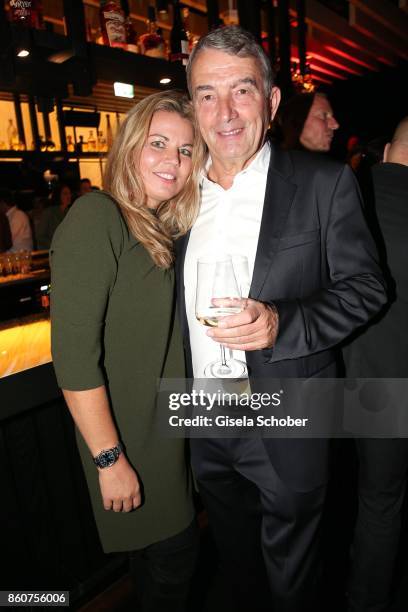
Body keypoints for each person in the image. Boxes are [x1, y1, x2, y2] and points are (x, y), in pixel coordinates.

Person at [176, 26, 386, 612]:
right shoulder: (175, 196)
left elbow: (368, 287)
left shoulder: (324, 183)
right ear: (192, 105)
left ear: (270, 103)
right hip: (204, 419)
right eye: (207, 94)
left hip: (289, 417)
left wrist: (279, 323)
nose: (224, 112)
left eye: (242, 91)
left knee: (294, 582)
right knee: (237, 573)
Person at [50, 91, 205, 612]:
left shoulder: (158, 229)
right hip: (127, 442)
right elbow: (73, 358)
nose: (173, 160)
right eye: (158, 143)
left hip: (163, 438)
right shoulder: (99, 217)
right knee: (173, 565)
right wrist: (109, 458)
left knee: (158, 569)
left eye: (186, 150)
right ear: (130, 146)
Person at [344, 117, 408, 612]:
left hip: (347, 379)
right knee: (383, 502)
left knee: (368, 501)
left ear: (386, 150)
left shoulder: (347, 195)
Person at [36, 183, 72, 250]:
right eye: (65, 193)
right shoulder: (49, 213)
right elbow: (40, 236)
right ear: (58, 195)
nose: (69, 196)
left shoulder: (71, 212)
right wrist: (55, 246)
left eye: (69, 193)